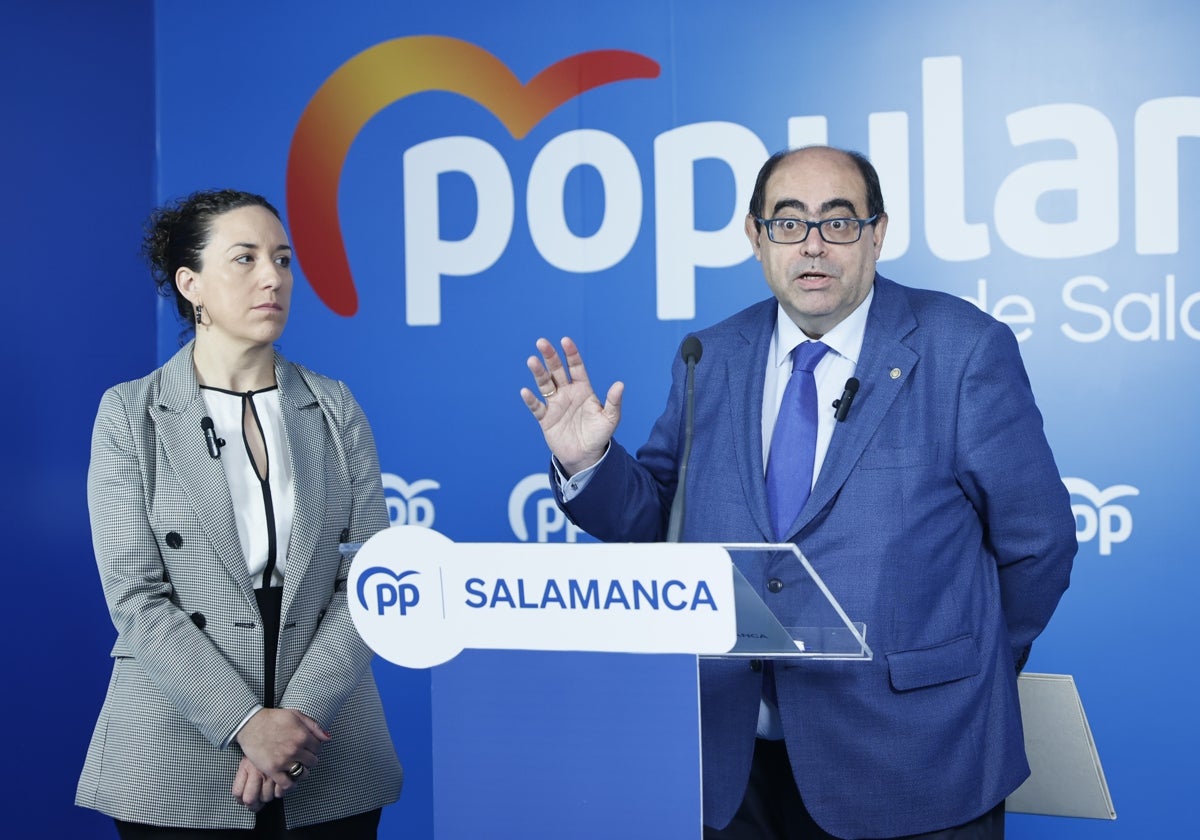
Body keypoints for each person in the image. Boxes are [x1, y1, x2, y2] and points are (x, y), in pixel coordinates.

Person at [521, 146, 1076, 839]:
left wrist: (968, 667)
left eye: (839, 223)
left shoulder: (962, 348)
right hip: (733, 762)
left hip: (914, 754)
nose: (813, 245)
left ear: (878, 234)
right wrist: (591, 460)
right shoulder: (710, 356)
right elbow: (663, 525)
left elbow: (1039, 543)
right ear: (755, 238)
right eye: (788, 224)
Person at [76, 189, 402, 838]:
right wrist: (245, 723)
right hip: (175, 744)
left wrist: (293, 723)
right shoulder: (129, 415)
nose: (272, 278)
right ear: (190, 284)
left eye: (282, 260)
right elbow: (137, 595)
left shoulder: (336, 407)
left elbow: (371, 578)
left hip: (328, 741)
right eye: (245, 259)